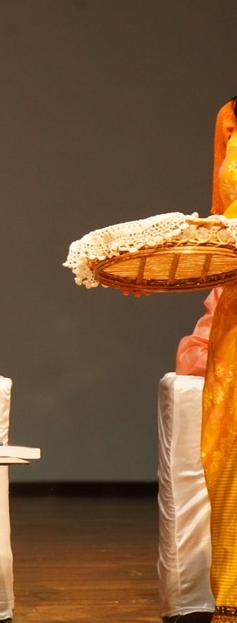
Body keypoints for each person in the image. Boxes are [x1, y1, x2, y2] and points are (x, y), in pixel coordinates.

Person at [195, 96, 237, 623]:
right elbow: (219, 224)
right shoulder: (231, 116)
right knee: (228, 449)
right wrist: (154, 270)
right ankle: (232, 597)